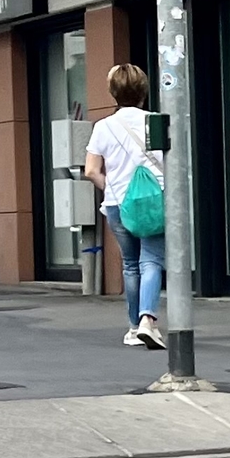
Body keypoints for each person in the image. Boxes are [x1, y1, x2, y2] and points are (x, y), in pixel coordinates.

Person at [84, 63, 164, 350]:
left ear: (113, 92)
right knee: (152, 260)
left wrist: (112, 186)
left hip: (119, 203)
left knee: (131, 264)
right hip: (154, 201)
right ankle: (147, 320)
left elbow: (91, 170)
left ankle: (133, 327)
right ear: (143, 91)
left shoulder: (102, 127)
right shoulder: (157, 122)